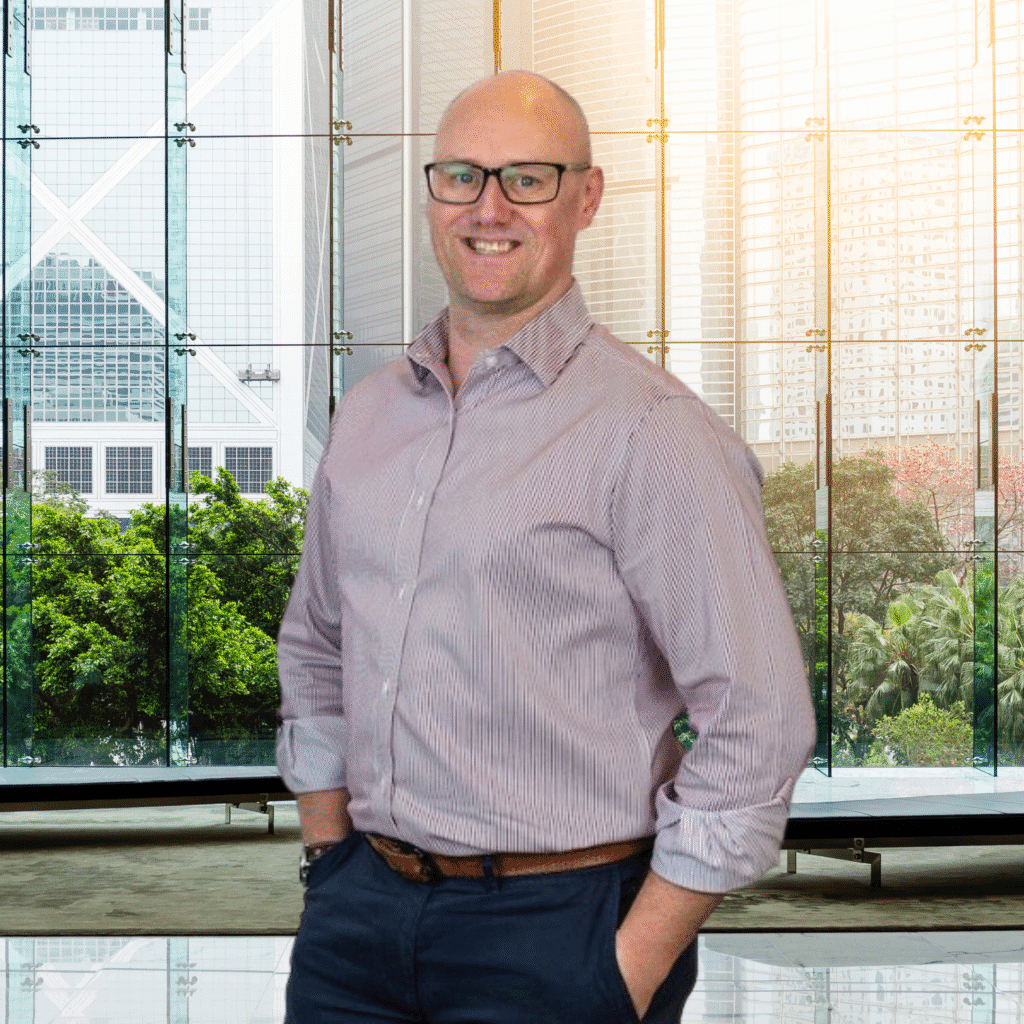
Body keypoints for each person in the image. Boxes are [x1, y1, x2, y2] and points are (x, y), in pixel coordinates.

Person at [277, 70, 816, 1023]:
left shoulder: (651, 430)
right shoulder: (365, 420)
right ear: (432, 192)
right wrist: (329, 857)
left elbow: (757, 715)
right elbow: (319, 646)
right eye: (462, 177)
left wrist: (626, 966)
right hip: (356, 924)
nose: (489, 207)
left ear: (586, 196)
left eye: (527, 178)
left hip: (561, 930)